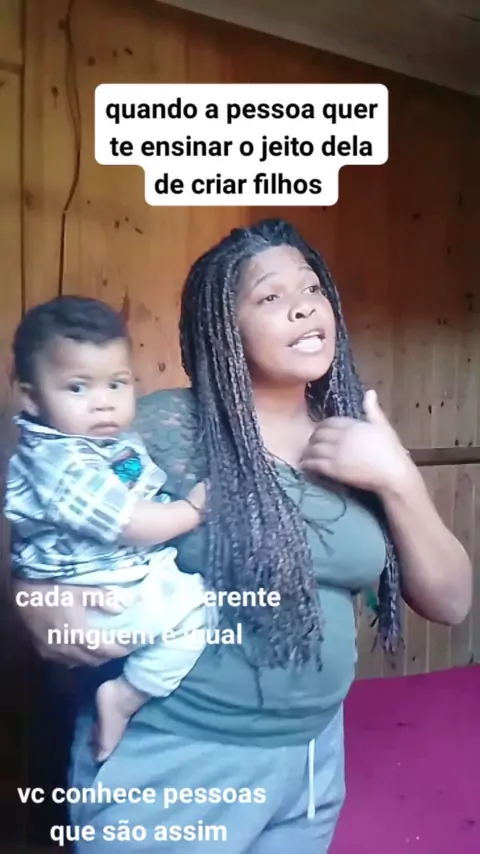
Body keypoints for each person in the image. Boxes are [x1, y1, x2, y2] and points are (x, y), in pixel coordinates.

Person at [14, 219, 472, 853]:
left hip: (312, 760)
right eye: (271, 296)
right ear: (222, 327)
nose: (304, 306)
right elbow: (49, 521)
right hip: (178, 756)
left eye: (312, 288)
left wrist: (397, 477)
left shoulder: (357, 436)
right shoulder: (162, 429)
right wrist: (34, 600)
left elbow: (451, 602)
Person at [4, 296, 210, 763]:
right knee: (195, 616)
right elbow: (129, 521)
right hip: (97, 594)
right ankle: (124, 697)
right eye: (78, 387)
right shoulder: (58, 461)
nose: (103, 403)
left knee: (197, 611)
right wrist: (192, 510)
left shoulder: (111, 441)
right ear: (31, 397)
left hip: (125, 576)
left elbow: (141, 492)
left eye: (117, 383)